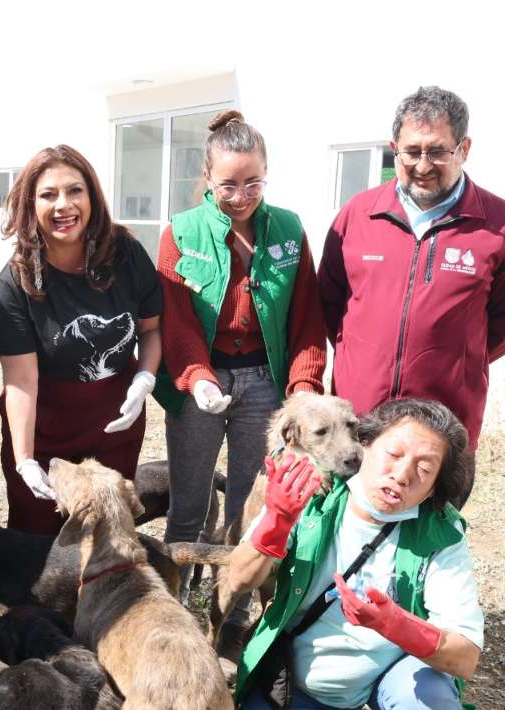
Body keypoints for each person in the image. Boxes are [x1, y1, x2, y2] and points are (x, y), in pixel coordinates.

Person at [318, 86, 505, 503]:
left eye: (437, 152)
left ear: (464, 148)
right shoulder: (356, 216)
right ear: (393, 148)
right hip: (360, 425)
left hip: (443, 431)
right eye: (410, 152)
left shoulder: (499, 226)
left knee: (428, 555)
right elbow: (330, 306)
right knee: (345, 548)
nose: (422, 165)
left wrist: (450, 359)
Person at [155, 110, 326, 622]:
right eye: (228, 184)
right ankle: (172, 610)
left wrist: (303, 387)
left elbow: (306, 317)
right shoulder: (181, 233)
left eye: (253, 182)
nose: (241, 195)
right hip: (201, 383)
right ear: (207, 178)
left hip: (265, 388)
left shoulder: (289, 230)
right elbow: (177, 322)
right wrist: (198, 378)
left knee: (251, 509)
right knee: (187, 505)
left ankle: (231, 616)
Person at [227, 399, 480, 709]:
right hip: (296, 678)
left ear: (434, 488)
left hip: (392, 674)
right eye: (393, 454)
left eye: (424, 468)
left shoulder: (441, 534)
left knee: (429, 698)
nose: (401, 474)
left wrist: (396, 625)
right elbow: (237, 580)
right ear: (367, 443)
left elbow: (465, 658)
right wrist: (275, 523)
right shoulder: (307, 493)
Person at [0, 144, 162, 535]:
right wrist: (24, 460)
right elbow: (21, 382)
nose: (63, 205)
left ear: (92, 197)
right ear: (29, 205)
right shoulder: (13, 284)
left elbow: (151, 331)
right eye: (48, 194)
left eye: (74, 191)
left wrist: (144, 379)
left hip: (114, 423)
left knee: (107, 536)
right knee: (40, 545)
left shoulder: (127, 254)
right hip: (46, 428)